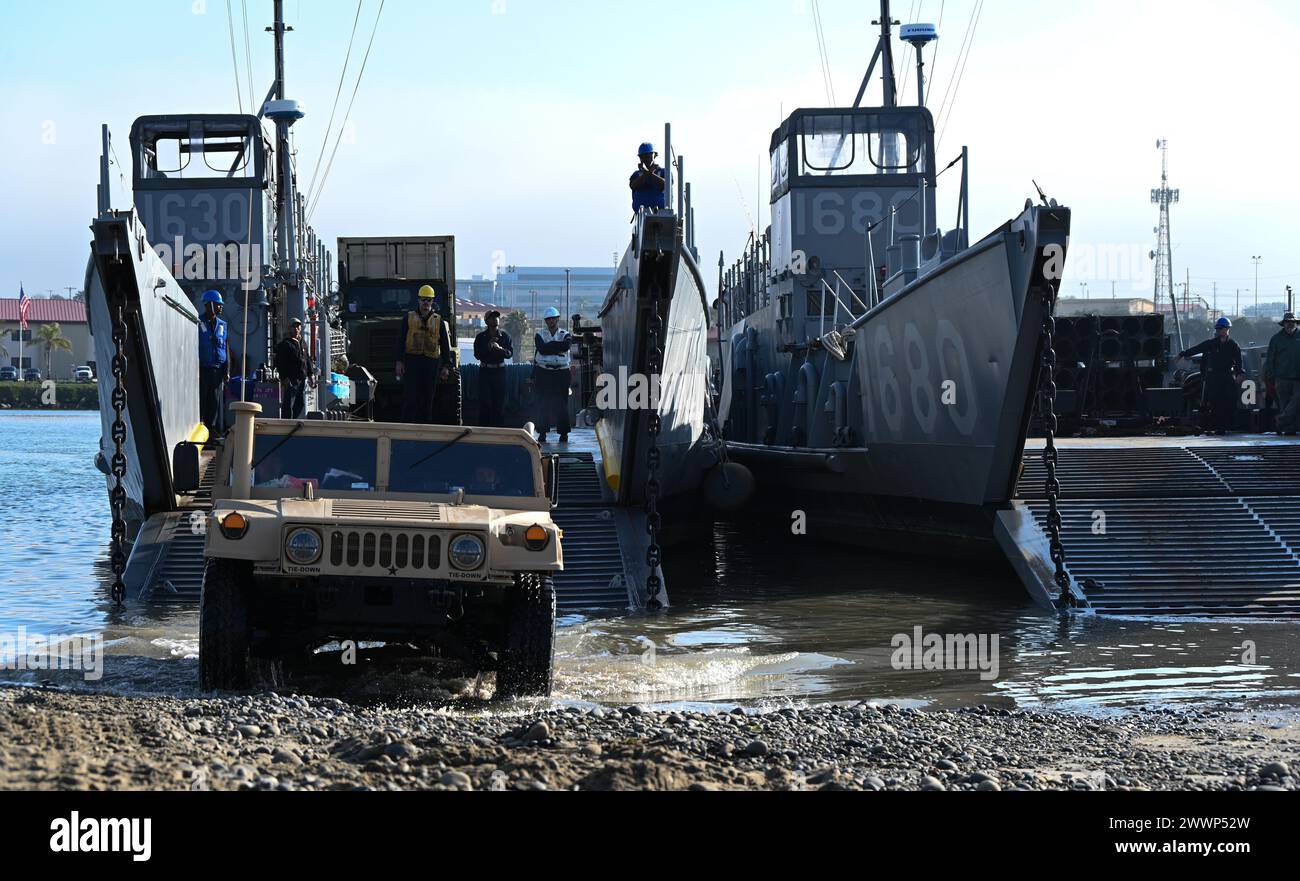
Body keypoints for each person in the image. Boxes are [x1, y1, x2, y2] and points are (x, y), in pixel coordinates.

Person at [395, 285, 451, 424]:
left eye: (429, 300)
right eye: (423, 300)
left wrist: (446, 366)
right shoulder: (408, 318)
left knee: (428, 396)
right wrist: (399, 361)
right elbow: (400, 340)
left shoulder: (439, 321)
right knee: (411, 396)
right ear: (418, 301)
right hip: (412, 361)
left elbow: (445, 344)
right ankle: (407, 426)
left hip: (431, 362)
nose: (426, 303)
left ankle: (426, 426)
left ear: (432, 301)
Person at [1179, 317, 1245, 435]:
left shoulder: (1233, 345)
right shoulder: (1211, 344)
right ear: (1217, 330)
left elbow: (1238, 360)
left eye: (1225, 328)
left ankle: (1228, 424)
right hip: (1214, 377)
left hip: (1227, 376)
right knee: (1215, 402)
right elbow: (1197, 349)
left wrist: (1239, 373)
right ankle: (1219, 427)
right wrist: (1183, 354)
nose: (1223, 331)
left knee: (1230, 400)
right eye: (1220, 329)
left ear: (1228, 329)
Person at [532, 306, 572, 443]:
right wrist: (557, 347)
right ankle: (542, 432)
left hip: (562, 372)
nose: (550, 321)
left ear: (557, 319)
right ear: (545, 321)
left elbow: (565, 346)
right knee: (543, 403)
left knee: (562, 403)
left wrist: (550, 347)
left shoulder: (565, 334)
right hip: (544, 372)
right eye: (548, 319)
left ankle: (564, 433)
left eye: (552, 318)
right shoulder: (540, 335)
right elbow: (541, 349)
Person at [197, 289, 229, 439]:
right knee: (202, 400)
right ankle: (200, 428)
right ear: (210, 305)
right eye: (218, 304)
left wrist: (226, 370)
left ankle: (211, 430)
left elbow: (225, 347)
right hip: (203, 369)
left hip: (217, 369)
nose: (221, 307)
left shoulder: (223, 325)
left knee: (214, 401)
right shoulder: (198, 322)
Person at [473, 310, 513, 427]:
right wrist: (488, 347)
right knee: (485, 402)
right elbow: (477, 355)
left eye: (496, 317)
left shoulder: (505, 336)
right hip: (485, 372)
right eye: (492, 317)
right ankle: (483, 431)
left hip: (499, 372)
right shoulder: (480, 337)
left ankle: (499, 430)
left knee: (499, 403)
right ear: (486, 321)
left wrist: (500, 349)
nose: (495, 319)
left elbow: (509, 353)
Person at [1264, 312, 1300, 435]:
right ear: (1283, 324)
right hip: (1281, 377)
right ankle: (1289, 429)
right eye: (1287, 322)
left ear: (1296, 323)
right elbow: (1270, 359)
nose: (1290, 324)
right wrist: (1270, 376)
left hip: (1298, 378)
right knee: (1284, 404)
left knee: (1297, 400)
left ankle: (1281, 419)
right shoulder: (1276, 339)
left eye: (1292, 322)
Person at [273, 317, 314, 419]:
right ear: (289, 329)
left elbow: (307, 359)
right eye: (293, 327)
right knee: (288, 404)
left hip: (302, 378)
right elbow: (280, 363)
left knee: (300, 404)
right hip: (291, 379)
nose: (296, 329)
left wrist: (311, 374)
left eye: (298, 326)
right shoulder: (285, 344)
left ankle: (293, 421)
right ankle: (287, 423)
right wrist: (284, 378)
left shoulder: (302, 343)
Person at [629, 142, 667, 212]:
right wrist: (647, 173)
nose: (645, 159)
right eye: (642, 157)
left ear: (655, 155)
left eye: (648, 156)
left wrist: (648, 173)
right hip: (642, 214)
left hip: (661, 213)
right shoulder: (636, 174)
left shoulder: (663, 172)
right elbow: (633, 186)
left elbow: (665, 184)